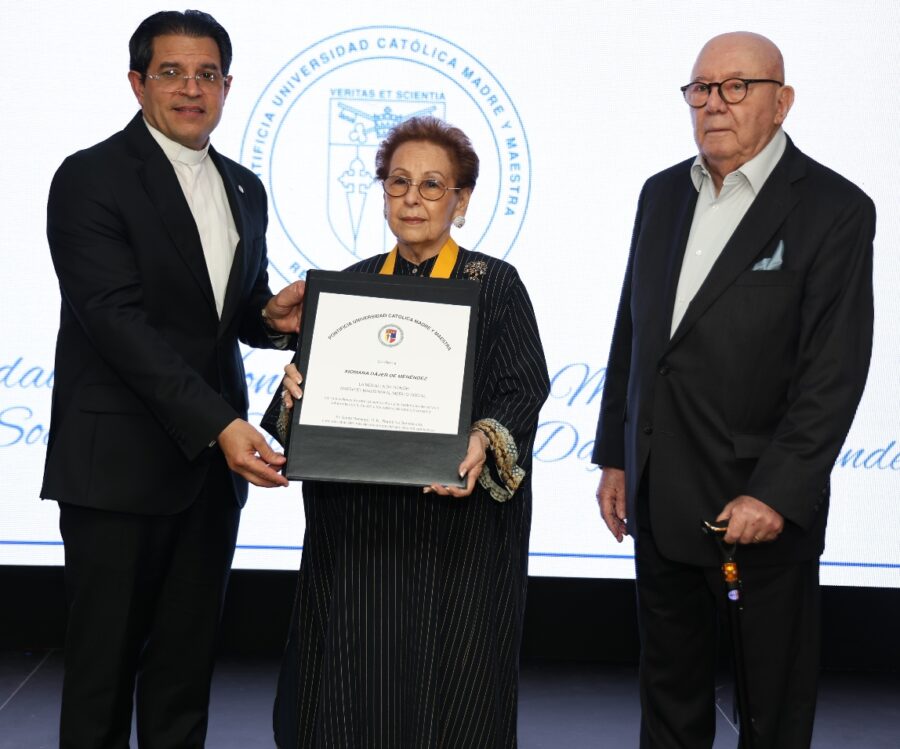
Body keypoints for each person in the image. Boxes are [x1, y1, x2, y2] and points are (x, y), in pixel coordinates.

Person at [593, 32, 874, 749]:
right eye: (701, 89)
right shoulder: (660, 194)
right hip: (659, 496)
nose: (714, 103)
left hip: (758, 508)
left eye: (735, 87)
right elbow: (635, 335)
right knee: (669, 704)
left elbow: (832, 373)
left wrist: (777, 492)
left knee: (771, 715)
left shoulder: (835, 209)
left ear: (781, 103)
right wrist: (616, 458)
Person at [42, 10, 304, 748]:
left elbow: (218, 313)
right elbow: (118, 322)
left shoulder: (244, 187)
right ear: (137, 82)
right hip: (119, 474)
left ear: (226, 85)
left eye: (207, 74)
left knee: (185, 679)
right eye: (171, 72)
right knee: (102, 679)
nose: (192, 89)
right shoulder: (89, 177)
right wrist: (223, 424)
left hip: (206, 480)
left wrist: (270, 316)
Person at [268, 116, 549, 748]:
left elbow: (521, 388)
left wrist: (482, 438)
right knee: (349, 691)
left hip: (457, 532)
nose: (413, 198)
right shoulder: (350, 286)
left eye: (431, 184)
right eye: (399, 183)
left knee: (456, 696)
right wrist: (295, 396)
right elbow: (303, 401)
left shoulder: (494, 283)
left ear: (462, 199)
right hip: (360, 532)